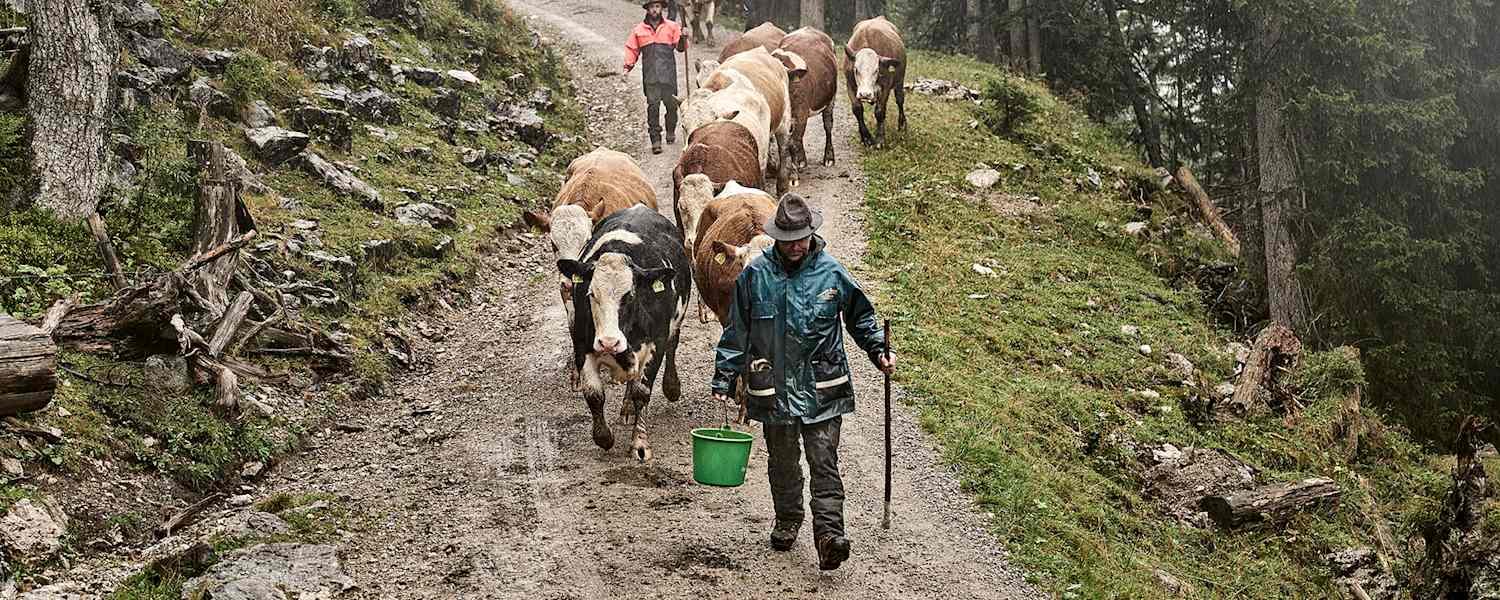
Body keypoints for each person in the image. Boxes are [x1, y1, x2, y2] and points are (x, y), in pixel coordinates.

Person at [710, 193, 895, 571]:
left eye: (802, 238)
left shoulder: (832, 273)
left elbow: (861, 318)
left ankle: (829, 536)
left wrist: (879, 351)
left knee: (824, 461)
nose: (795, 246)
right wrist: (724, 376)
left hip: (822, 388)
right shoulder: (755, 276)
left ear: (812, 234)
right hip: (772, 387)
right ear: (777, 237)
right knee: (782, 462)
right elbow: (737, 331)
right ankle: (788, 518)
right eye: (788, 239)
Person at [622, 0, 688, 155]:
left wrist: (684, 37)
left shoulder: (672, 27)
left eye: (657, 6)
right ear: (647, 9)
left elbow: (680, 49)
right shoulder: (639, 30)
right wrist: (627, 67)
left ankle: (670, 129)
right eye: (652, 7)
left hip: (668, 75)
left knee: (671, 105)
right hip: (650, 76)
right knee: (653, 107)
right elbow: (632, 50)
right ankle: (655, 140)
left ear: (661, 9)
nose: (654, 10)